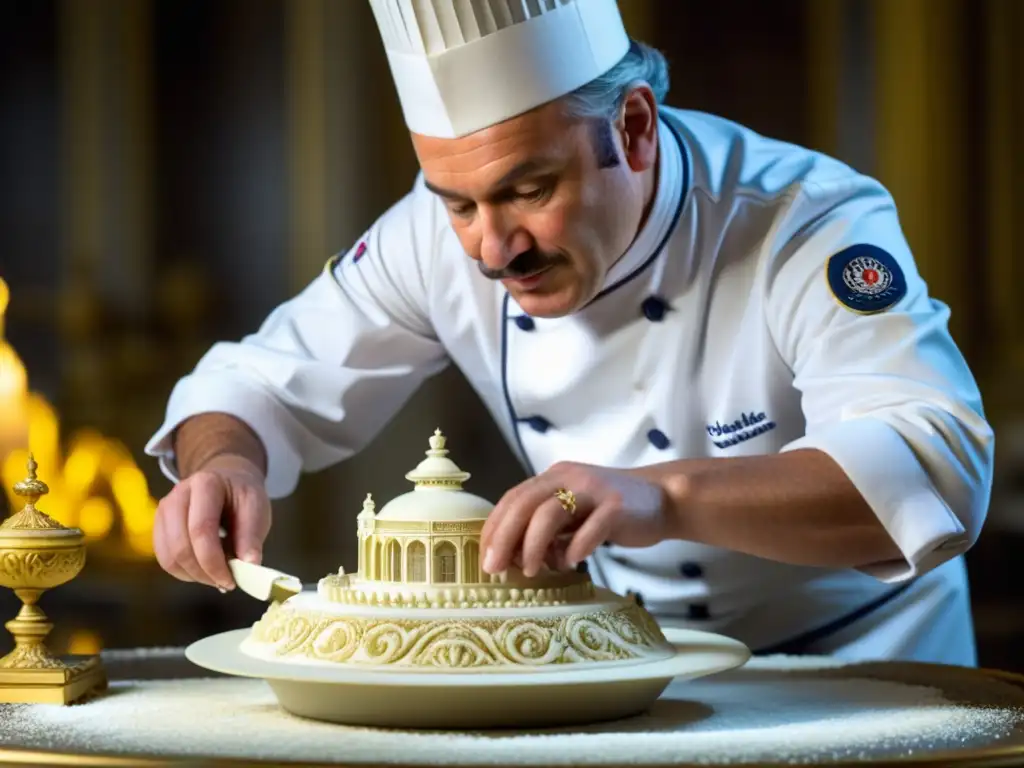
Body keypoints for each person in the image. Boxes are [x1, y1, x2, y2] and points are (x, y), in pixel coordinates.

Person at [145, 0, 993, 666]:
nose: (492, 247)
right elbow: (251, 386)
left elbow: (932, 467)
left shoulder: (802, 221)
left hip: (869, 670)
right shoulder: (432, 235)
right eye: (459, 204)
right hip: (638, 669)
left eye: (529, 190)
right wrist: (222, 464)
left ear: (632, 127)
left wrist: (655, 495)